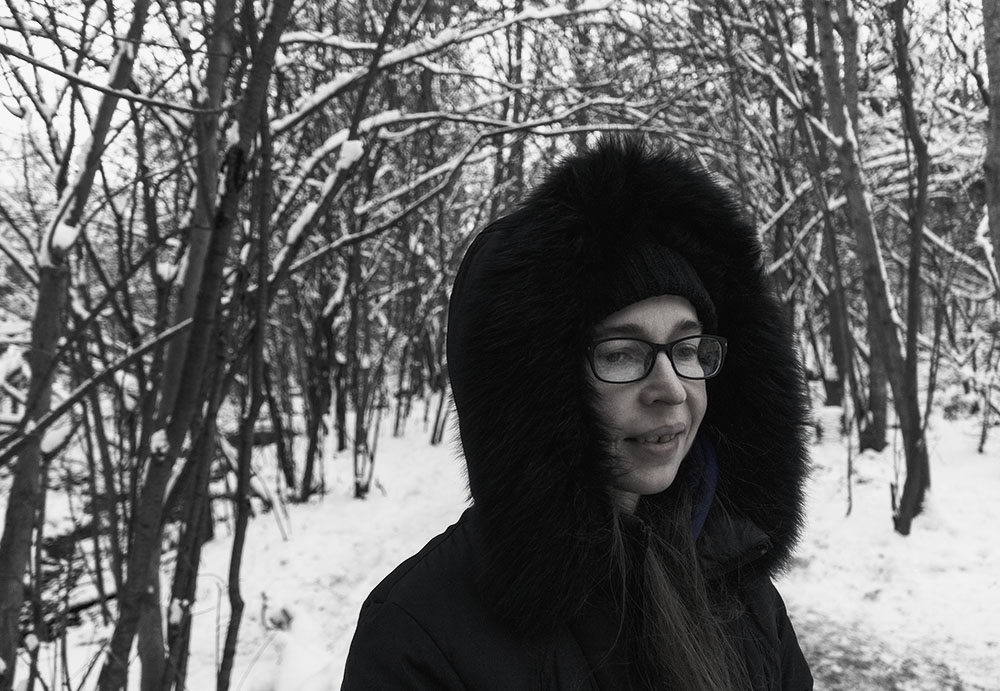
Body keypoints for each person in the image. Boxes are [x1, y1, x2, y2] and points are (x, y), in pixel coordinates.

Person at [341, 136, 813, 690]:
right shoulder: (417, 635)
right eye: (621, 353)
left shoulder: (740, 589)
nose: (671, 390)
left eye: (687, 350)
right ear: (542, 394)